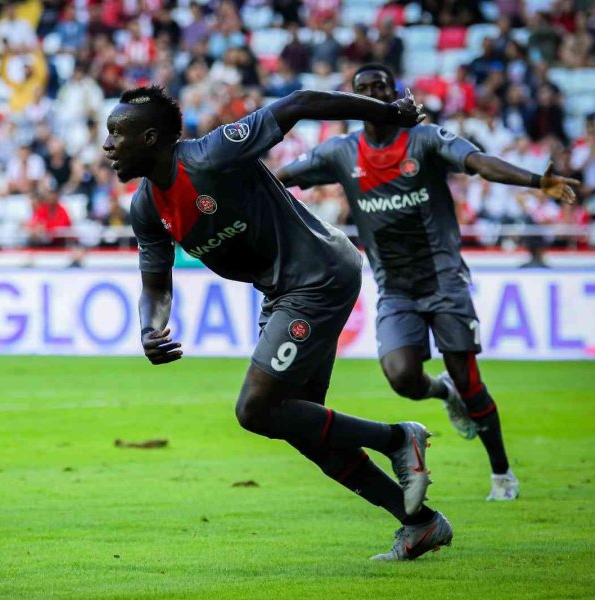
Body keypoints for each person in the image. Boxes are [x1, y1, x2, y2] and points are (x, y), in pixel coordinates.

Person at [106, 85, 450, 561]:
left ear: (148, 138)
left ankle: (397, 438)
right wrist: (150, 327)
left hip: (318, 274)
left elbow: (300, 102)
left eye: (116, 133)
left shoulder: (209, 155)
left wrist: (388, 112)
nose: (107, 145)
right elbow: (156, 287)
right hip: (284, 291)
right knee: (303, 427)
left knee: (255, 409)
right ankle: (419, 523)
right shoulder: (146, 208)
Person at [276, 63, 580, 502]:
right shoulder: (340, 152)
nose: (373, 94)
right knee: (401, 377)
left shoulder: (426, 139)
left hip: (444, 279)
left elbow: (479, 162)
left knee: (470, 381)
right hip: (394, 286)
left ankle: (502, 473)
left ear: (395, 93)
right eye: (364, 89)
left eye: (381, 87)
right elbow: (279, 178)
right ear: (352, 100)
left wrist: (536, 181)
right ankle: (443, 392)